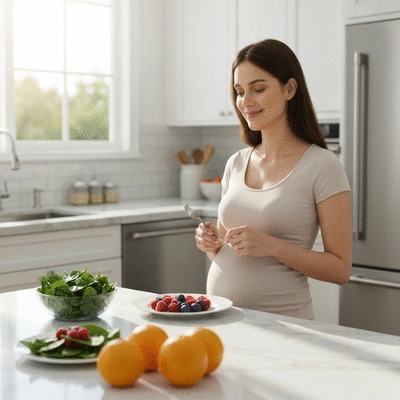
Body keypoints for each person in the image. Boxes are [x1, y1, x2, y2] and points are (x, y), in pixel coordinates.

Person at [195, 39, 352, 319]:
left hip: (285, 325)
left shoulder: (322, 166)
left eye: (259, 89)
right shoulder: (236, 163)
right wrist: (213, 245)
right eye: (240, 92)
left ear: (289, 88)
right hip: (221, 320)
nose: (246, 102)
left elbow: (340, 270)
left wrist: (273, 246)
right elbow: (225, 250)